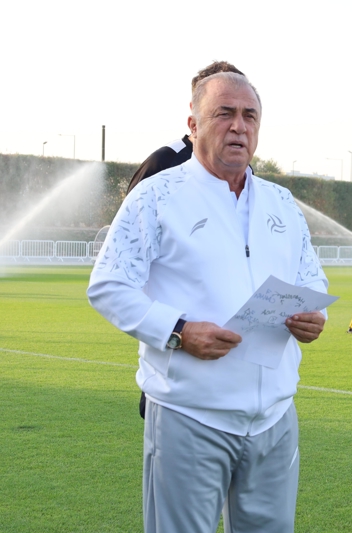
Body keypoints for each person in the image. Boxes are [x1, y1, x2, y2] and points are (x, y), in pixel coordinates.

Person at [88, 71, 327, 532]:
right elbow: (109, 284)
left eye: (249, 116)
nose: (239, 126)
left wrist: (315, 317)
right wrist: (177, 331)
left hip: (275, 416)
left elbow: (310, 278)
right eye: (224, 113)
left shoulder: (281, 202)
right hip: (188, 414)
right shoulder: (156, 196)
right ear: (193, 124)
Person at [127, 60, 246, 419]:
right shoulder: (163, 162)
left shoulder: (242, 165)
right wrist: (171, 327)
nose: (236, 122)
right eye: (223, 108)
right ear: (196, 109)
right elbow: (129, 242)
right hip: (176, 344)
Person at [125, 60, 245, 195]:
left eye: (247, 113)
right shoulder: (162, 163)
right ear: (195, 109)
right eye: (224, 112)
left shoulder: (245, 171)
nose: (239, 126)